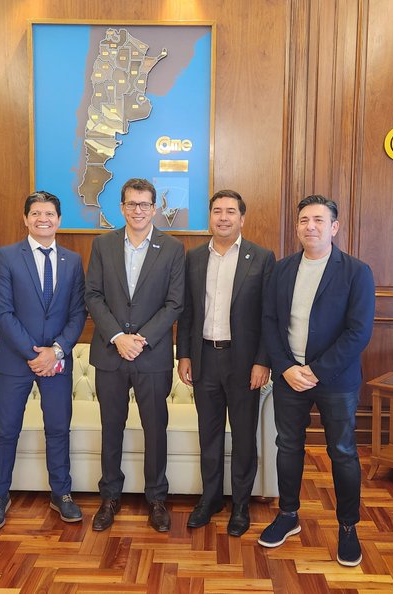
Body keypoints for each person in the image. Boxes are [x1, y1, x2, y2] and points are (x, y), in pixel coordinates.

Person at [258, 195, 375, 566]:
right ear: (297, 227)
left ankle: (348, 526)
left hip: (336, 380)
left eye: (319, 220)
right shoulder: (282, 269)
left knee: (342, 451)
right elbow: (269, 322)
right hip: (289, 376)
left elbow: (358, 332)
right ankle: (288, 514)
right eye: (304, 220)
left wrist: (316, 371)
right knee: (288, 446)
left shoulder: (356, 272)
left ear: (334, 227)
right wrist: (286, 367)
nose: (310, 226)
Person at [85, 178, 185, 533]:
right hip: (110, 354)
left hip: (151, 355)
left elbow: (175, 303)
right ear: (122, 207)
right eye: (131, 204)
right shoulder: (103, 244)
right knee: (111, 427)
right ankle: (110, 497)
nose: (138, 210)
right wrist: (117, 337)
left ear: (154, 208)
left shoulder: (172, 248)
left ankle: (156, 498)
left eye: (144, 204)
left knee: (155, 429)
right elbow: (93, 295)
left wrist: (140, 340)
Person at [0, 191, 87, 529]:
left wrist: (55, 351)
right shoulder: (7, 256)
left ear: (59, 220)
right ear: (26, 219)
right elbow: (2, 312)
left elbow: (78, 313)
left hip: (56, 361)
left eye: (49, 214)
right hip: (16, 361)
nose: (43, 219)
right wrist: (35, 354)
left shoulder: (73, 261)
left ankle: (62, 494)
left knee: (58, 429)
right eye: (36, 213)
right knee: (6, 430)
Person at [177, 190, 275, 537]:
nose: (223, 217)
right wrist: (184, 354)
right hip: (204, 357)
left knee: (245, 437)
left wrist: (263, 361)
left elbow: (269, 315)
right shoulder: (193, 258)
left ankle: (241, 505)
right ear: (210, 217)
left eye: (230, 211)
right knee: (210, 435)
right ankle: (211, 499)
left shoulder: (261, 258)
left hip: (244, 362)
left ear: (242, 219)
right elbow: (187, 311)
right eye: (217, 211)